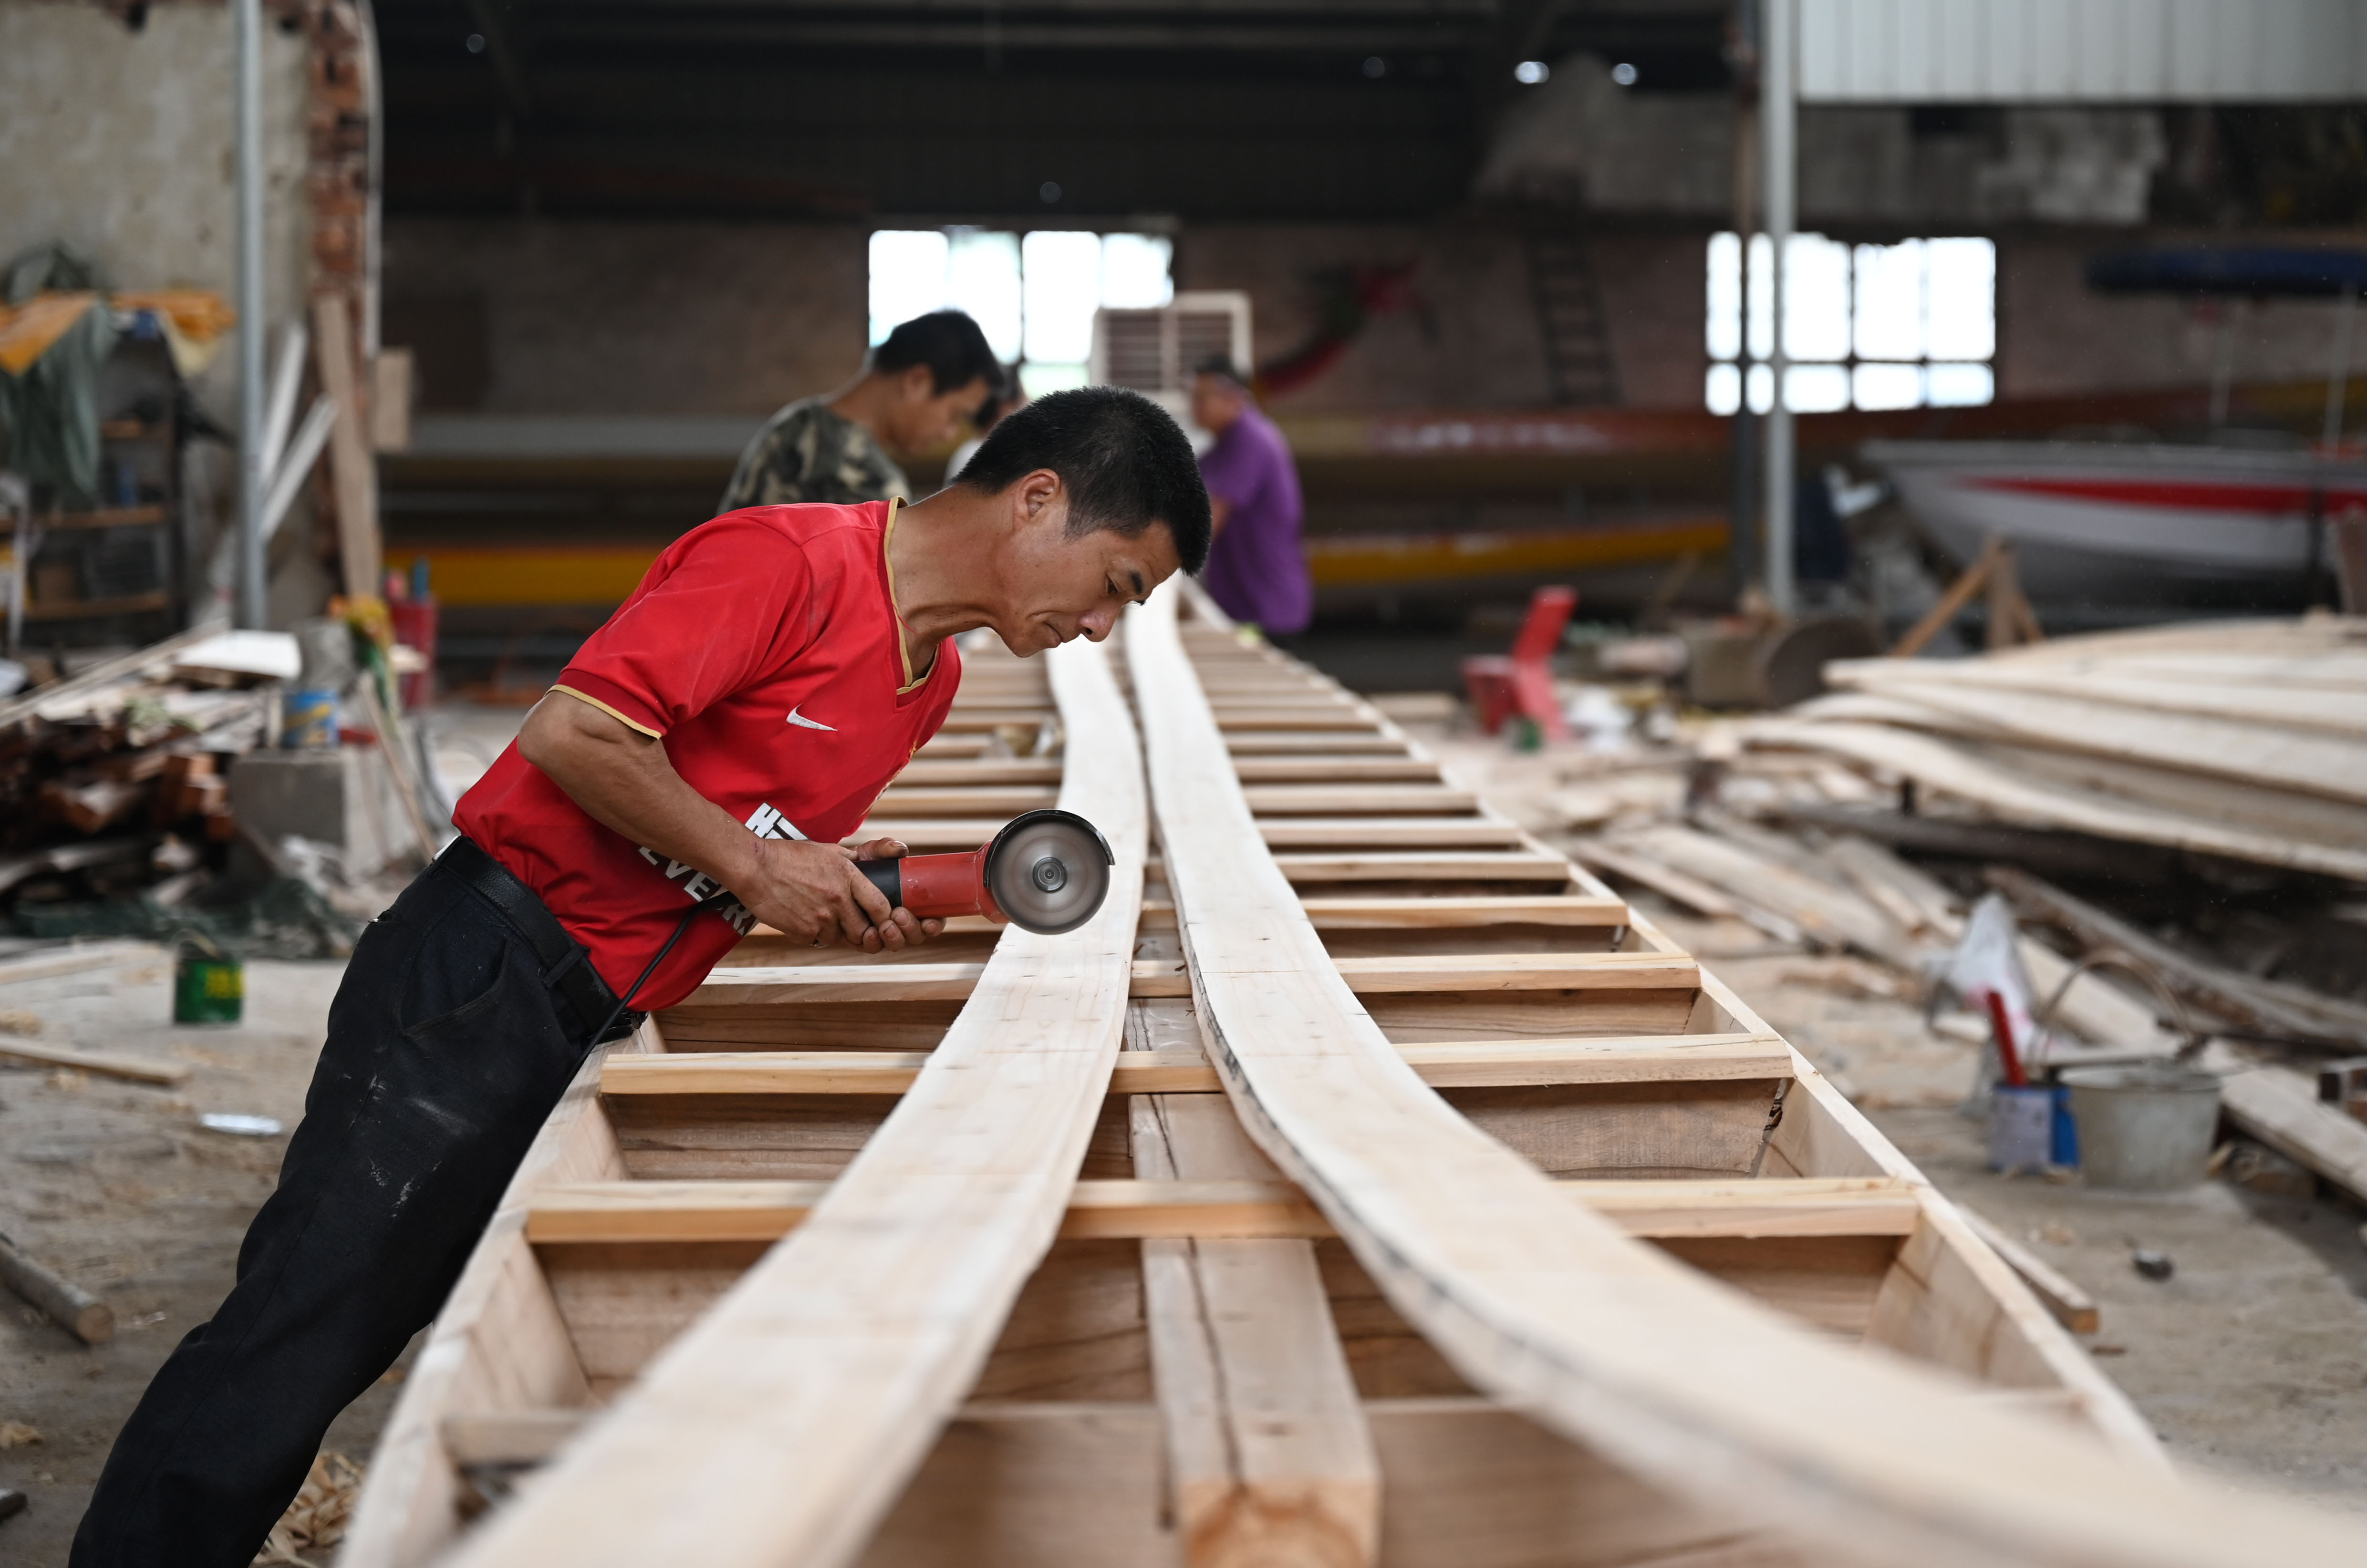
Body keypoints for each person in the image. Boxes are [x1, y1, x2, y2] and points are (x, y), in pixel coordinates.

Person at [72, 386, 1213, 1568]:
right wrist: (756, 865)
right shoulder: (789, 562)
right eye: (1117, 585)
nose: (1100, 627)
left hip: (587, 1013)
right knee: (300, 1327)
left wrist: (820, 880)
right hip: (480, 974)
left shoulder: (927, 686)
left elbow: (740, 822)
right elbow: (575, 734)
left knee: (382, 1320)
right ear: (1038, 501)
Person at [719, 309, 1001, 512]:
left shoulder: (793, 422)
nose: (949, 433)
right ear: (917, 382)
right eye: (954, 415)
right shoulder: (870, 483)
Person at [1189, 356, 1311, 636]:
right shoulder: (1221, 449)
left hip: (1264, 606)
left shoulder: (1250, 440)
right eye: (1193, 397)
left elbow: (1208, 522)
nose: (1194, 406)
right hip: (1243, 603)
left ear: (1233, 399)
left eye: (1202, 397)